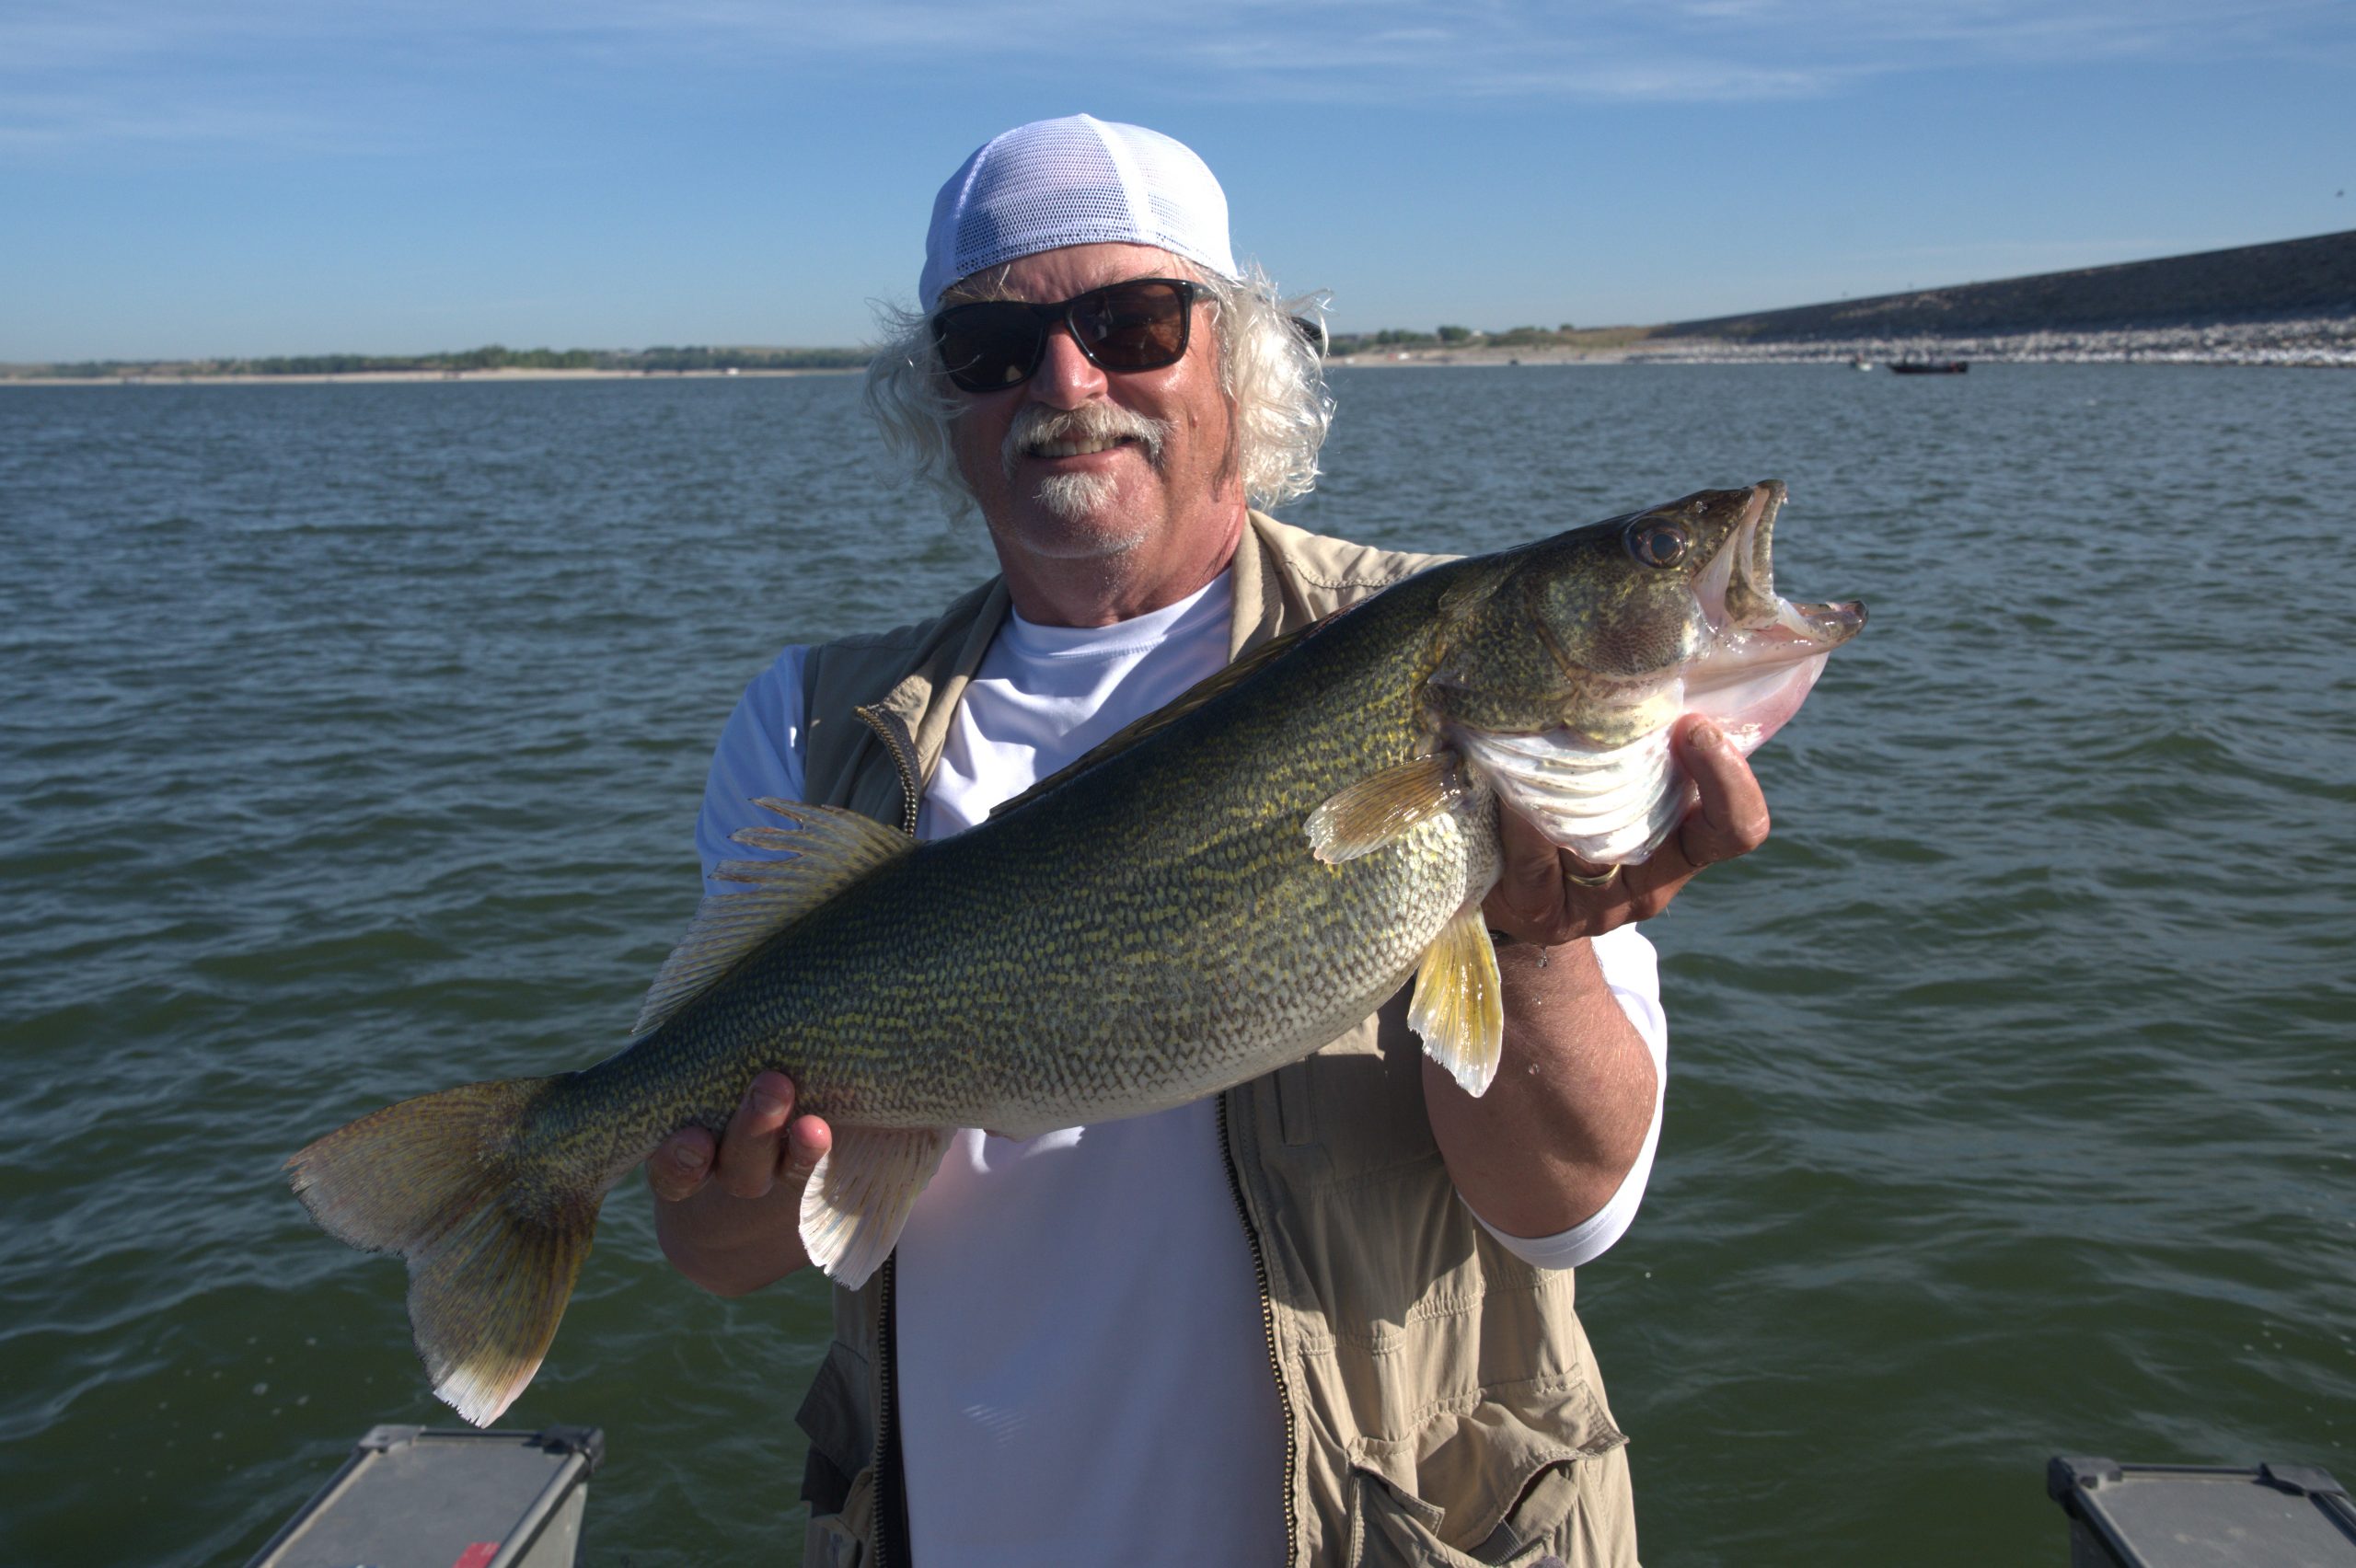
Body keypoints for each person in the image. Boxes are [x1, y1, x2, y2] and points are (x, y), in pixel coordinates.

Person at [645, 114, 1771, 1568]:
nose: (1068, 379)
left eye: (1132, 322)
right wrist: (721, 1176)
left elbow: (1566, 1215)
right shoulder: (814, 732)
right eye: (994, 345)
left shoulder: (1441, 647)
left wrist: (1537, 947)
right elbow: (717, 1254)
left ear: (1239, 364)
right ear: (943, 400)